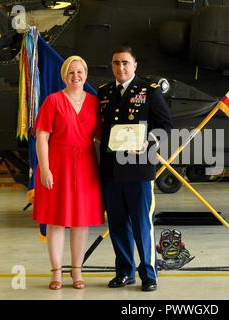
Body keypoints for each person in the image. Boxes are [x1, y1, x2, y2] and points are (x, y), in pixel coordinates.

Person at [98, 45, 172, 292]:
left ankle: (149, 274)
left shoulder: (149, 91)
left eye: (125, 63)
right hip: (111, 170)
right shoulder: (104, 92)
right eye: (116, 63)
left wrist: (149, 142)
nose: (121, 67)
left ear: (135, 65)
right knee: (117, 225)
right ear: (112, 65)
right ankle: (124, 271)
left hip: (139, 169)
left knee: (142, 224)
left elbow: (165, 126)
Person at [33, 56, 104, 290]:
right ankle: (56, 273)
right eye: (71, 73)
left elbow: (101, 136)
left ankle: (77, 272)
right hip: (57, 163)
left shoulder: (94, 103)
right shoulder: (53, 101)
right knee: (56, 220)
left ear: (86, 74)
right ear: (64, 76)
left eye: (80, 72)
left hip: (85, 165)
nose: (76, 76)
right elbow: (42, 136)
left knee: (81, 222)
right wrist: (44, 169)